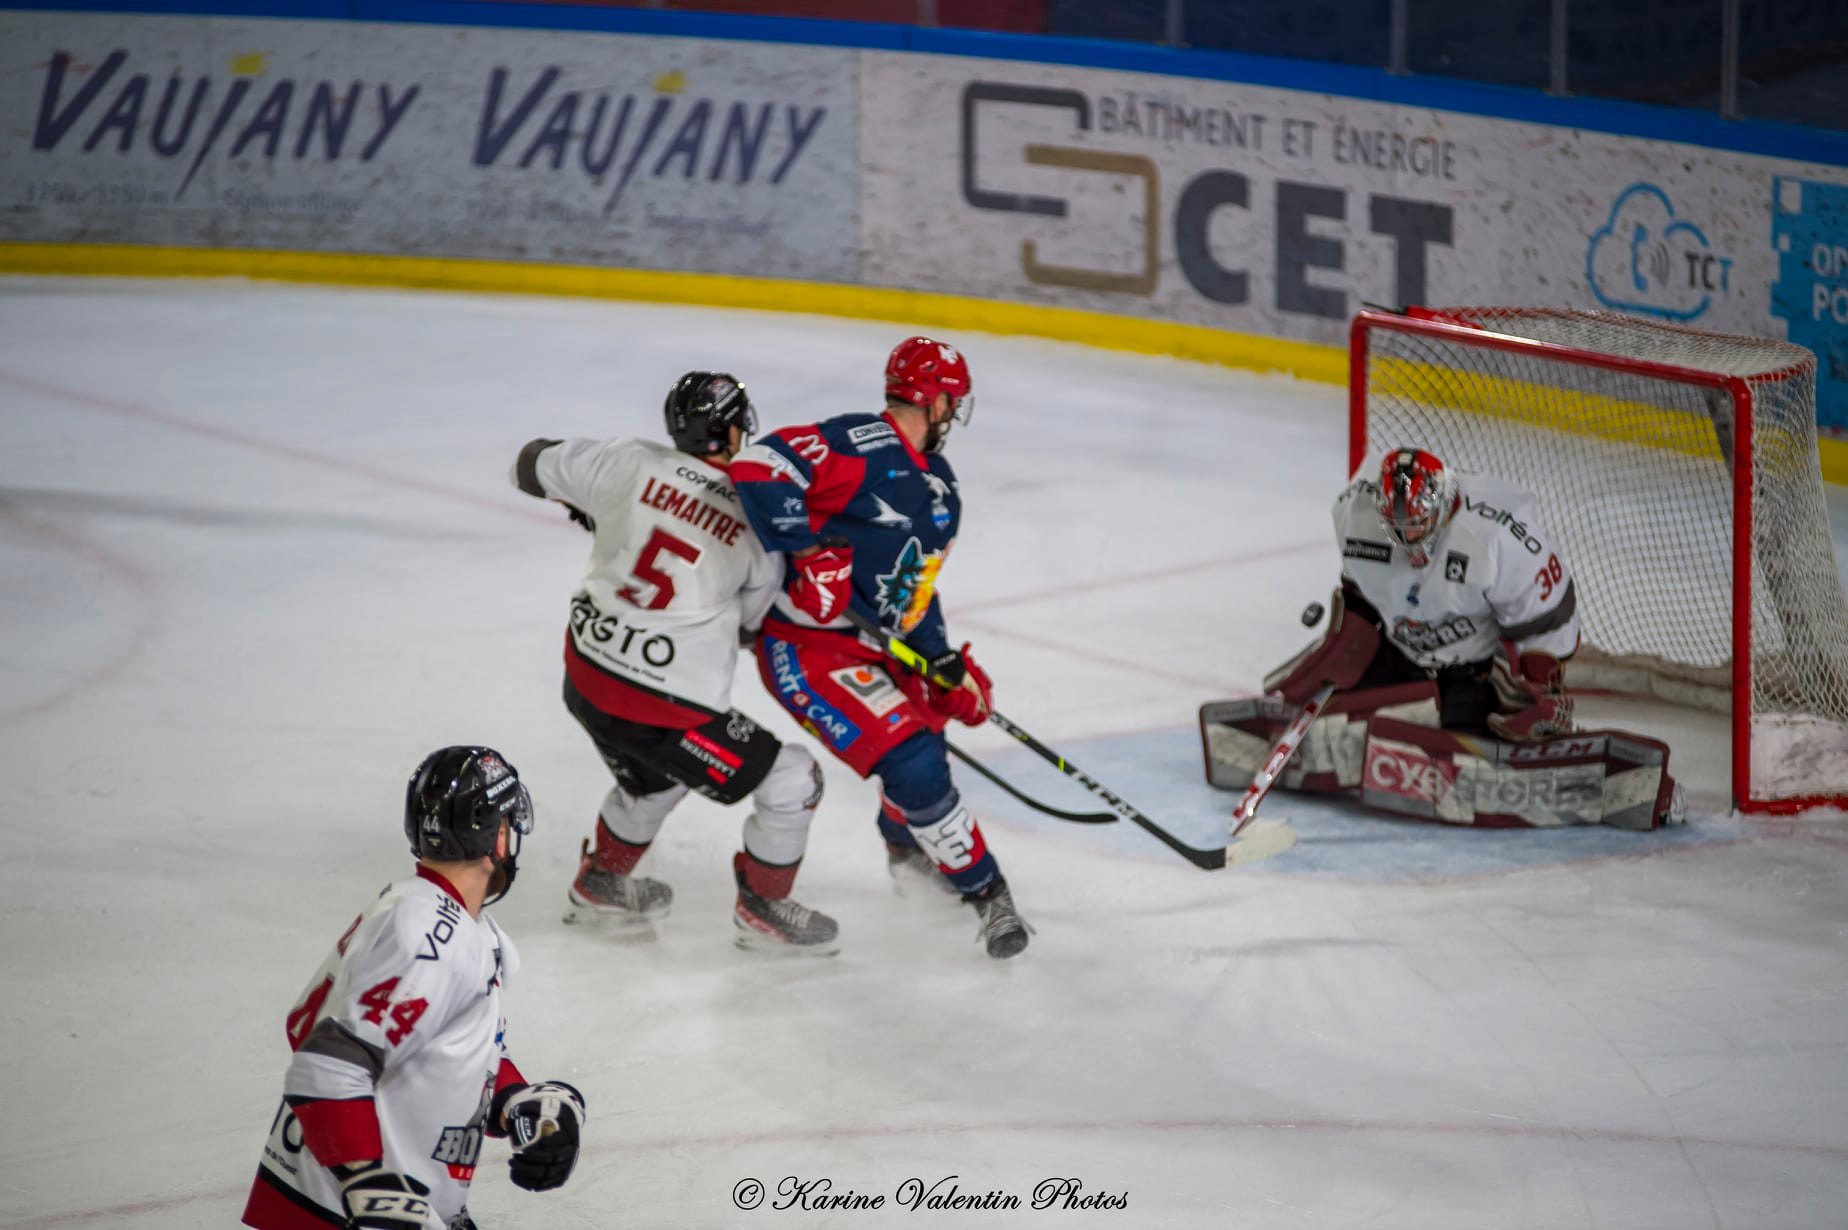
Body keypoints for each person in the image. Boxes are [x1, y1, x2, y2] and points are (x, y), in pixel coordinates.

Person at [510, 372, 836, 954]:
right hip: (665, 708)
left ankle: (604, 885)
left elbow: (529, 463)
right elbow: (752, 628)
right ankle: (763, 910)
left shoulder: (625, 462)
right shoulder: (755, 523)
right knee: (793, 779)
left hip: (585, 677)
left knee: (654, 777)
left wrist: (588, 504)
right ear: (736, 430)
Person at [730, 336, 1031, 959]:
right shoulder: (858, 445)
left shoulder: (941, 486)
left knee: (927, 748)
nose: (954, 413)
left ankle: (906, 851)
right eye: (952, 400)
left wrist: (943, 660)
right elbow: (759, 466)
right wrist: (808, 552)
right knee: (914, 762)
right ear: (936, 398)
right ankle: (987, 892)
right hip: (807, 648)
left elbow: (912, 589)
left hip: (879, 647)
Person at [242, 746, 586, 1230]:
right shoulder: (430, 938)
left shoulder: (442, 920)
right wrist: (367, 1183)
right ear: (500, 837)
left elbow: (432, 1045)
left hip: (389, 1202)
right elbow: (324, 1067)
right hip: (344, 1213)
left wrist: (513, 1102)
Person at [1273, 446, 1580, 736]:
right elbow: (1359, 592)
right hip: (1399, 653)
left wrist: (1543, 682)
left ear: (1443, 504)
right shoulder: (1355, 513)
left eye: (1417, 524)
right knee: (1337, 718)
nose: (1407, 538)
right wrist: (1344, 647)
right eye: (1396, 526)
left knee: (1467, 741)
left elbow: (1548, 615)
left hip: (1474, 670)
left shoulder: (1499, 536)